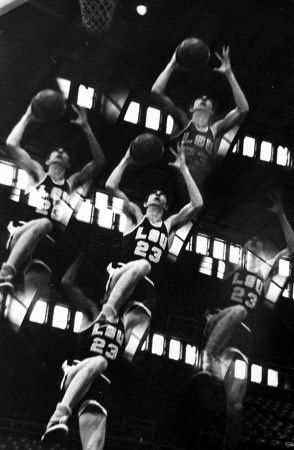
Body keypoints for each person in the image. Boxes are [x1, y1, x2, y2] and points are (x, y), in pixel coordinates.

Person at [200, 191, 294, 450]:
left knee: (236, 406)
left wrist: (281, 214)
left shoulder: (265, 273)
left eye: (258, 241)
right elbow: (214, 294)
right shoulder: (233, 268)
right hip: (221, 325)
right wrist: (211, 316)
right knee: (239, 311)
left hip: (241, 343)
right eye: (251, 240)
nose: (254, 241)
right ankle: (206, 359)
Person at [101, 140, 203, 361]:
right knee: (143, 264)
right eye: (153, 194)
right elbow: (110, 186)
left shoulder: (169, 225)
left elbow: (197, 204)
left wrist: (184, 169)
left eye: (161, 194)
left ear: (166, 205)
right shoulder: (135, 215)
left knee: (129, 349)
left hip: (145, 291)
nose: (157, 194)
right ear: (146, 202)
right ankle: (108, 309)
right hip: (122, 276)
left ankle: (118, 366)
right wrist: (127, 158)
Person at [0, 103, 105, 305]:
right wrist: (29, 114)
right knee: (44, 223)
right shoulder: (37, 174)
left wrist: (86, 127)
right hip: (24, 233)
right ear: (47, 160)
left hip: (48, 246)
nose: (59, 152)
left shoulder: (72, 183)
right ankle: (7, 271)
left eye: (63, 153)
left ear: (69, 164)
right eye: (55, 151)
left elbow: (99, 162)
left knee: (36, 300)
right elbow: (12, 145)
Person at [151, 45, 249, 188]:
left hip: (201, 184)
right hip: (174, 180)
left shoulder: (216, 129)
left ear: (212, 111)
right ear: (191, 108)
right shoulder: (182, 121)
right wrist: (172, 65)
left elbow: (243, 109)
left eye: (207, 100)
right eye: (200, 98)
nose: (204, 99)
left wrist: (229, 74)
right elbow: (156, 92)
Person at [41, 312, 125, 449]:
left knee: (94, 447)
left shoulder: (124, 322)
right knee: (101, 361)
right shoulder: (93, 311)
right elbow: (71, 291)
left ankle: (60, 418)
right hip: (77, 371)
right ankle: (58, 416)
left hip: (100, 386)